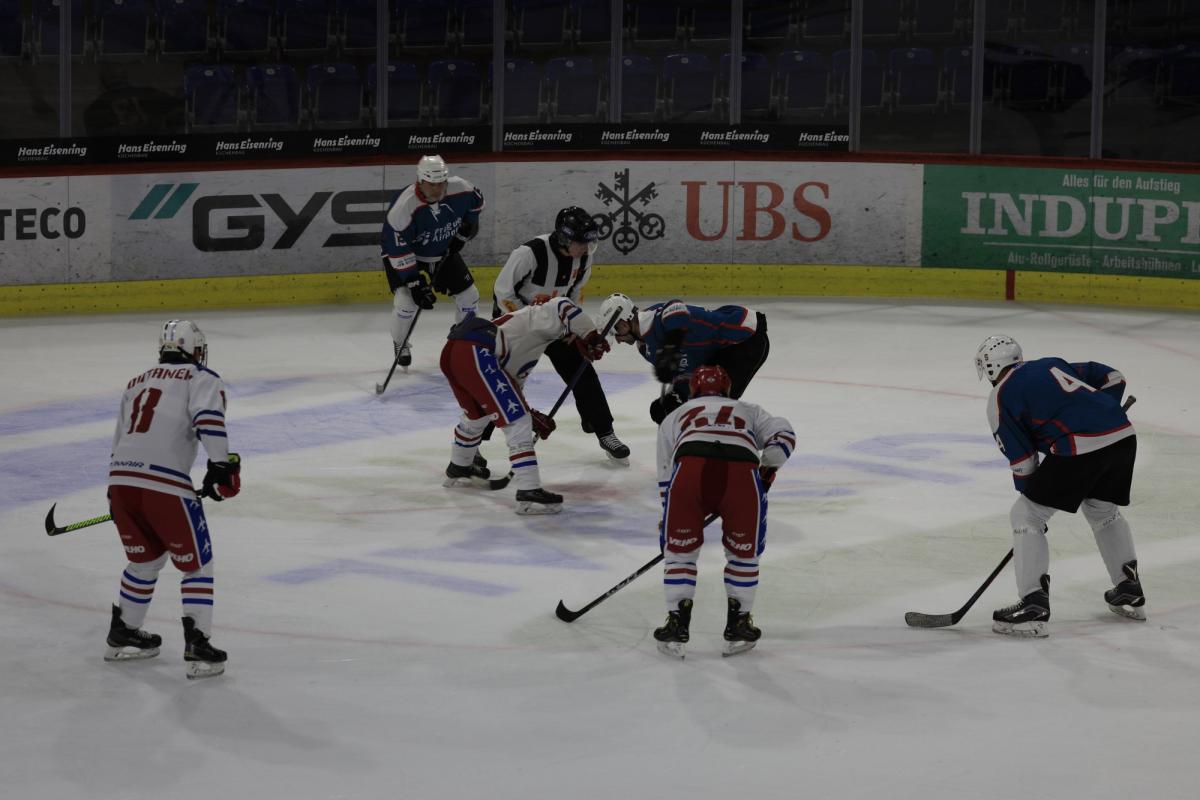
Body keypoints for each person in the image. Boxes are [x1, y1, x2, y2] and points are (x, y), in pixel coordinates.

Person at [976, 335, 1145, 638]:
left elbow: (1024, 462)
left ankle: (1033, 605)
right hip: (1122, 435)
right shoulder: (1051, 364)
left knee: (1026, 515)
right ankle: (1128, 587)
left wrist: (1036, 500)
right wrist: (1103, 410)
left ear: (990, 368)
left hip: (1081, 446)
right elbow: (1113, 377)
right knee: (1102, 508)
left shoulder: (1000, 396)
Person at [105, 320, 241, 679]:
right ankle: (198, 644)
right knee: (197, 565)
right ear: (194, 349)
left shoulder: (135, 382)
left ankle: (124, 633)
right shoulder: (201, 378)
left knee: (145, 560)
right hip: (164, 484)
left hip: (120, 481)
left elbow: (119, 438)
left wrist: (116, 492)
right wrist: (221, 465)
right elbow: (208, 419)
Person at [652, 365, 795, 659]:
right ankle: (739, 625)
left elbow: (665, 473)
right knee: (744, 554)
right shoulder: (748, 409)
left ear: (694, 390)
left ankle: (677, 624)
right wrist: (768, 465)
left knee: (679, 553)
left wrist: (669, 517)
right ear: (728, 390)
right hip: (741, 473)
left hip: (689, 471)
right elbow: (785, 434)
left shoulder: (674, 416)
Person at [440, 297, 609, 515]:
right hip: (475, 349)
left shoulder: (531, 344)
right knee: (518, 422)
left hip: (456, 352)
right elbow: (562, 305)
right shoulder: (539, 316)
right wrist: (591, 335)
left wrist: (534, 417)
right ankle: (529, 489)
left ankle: (459, 465)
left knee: (478, 415)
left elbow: (509, 393)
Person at [493, 206, 630, 464]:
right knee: (499, 384)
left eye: (590, 242)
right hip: (516, 325)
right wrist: (527, 320)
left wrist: (572, 326)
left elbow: (576, 292)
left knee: (583, 371)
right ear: (565, 238)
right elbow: (503, 292)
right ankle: (473, 445)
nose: (587, 248)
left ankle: (604, 431)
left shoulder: (584, 259)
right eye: (582, 242)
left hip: (556, 322)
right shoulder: (529, 253)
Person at [599, 293, 770, 425]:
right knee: (703, 405)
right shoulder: (644, 348)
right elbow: (686, 370)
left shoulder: (653, 318)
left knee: (717, 404)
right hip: (718, 352)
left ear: (624, 322)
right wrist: (675, 397)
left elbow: (676, 307)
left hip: (744, 337)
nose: (618, 340)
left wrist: (670, 349)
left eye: (616, 333)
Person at [381, 154, 485, 368]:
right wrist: (414, 282)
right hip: (407, 255)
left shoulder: (462, 188)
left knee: (470, 296)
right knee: (406, 302)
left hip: (441, 250)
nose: (438, 189)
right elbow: (398, 250)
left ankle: (464, 341)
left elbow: (477, 204)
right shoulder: (403, 208)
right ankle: (400, 342)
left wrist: (464, 233)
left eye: (441, 183)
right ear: (420, 181)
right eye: (432, 184)